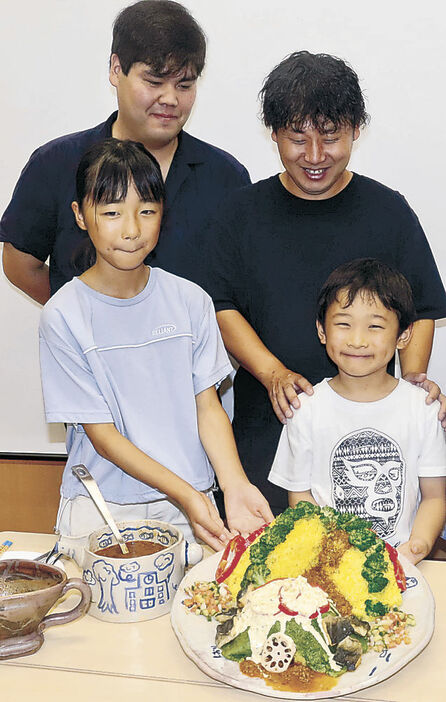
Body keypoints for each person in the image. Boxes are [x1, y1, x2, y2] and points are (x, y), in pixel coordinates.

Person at [203, 51, 446, 514]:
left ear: (356, 130)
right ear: (273, 133)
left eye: (330, 138)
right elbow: (221, 304)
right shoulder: (240, 214)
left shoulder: (389, 211)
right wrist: (272, 373)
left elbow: (426, 307)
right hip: (270, 430)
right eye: (297, 138)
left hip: (371, 442)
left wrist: (414, 378)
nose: (314, 157)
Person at [39, 138, 272, 550]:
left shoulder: (190, 300)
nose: (131, 230)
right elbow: (103, 437)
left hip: (190, 508)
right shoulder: (64, 314)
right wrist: (186, 493)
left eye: (146, 211)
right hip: (102, 509)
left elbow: (207, 406)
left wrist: (234, 486)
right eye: (111, 213)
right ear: (80, 215)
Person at [1, 0, 249, 304]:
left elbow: (234, 289)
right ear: (116, 69)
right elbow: (20, 264)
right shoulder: (55, 163)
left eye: (184, 85)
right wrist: (86, 320)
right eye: (154, 81)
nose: (170, 98)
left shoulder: (225, 177)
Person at [269, 258, 446, 564]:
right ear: (322, 330)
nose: (357, 340)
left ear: (403, 335)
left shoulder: (423, 408)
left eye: (375, 326)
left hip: (404, 563)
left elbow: (434, 496)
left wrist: (417, 547)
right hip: (328, 563)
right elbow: (300, 498)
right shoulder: (305, 409)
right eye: (343, 324)